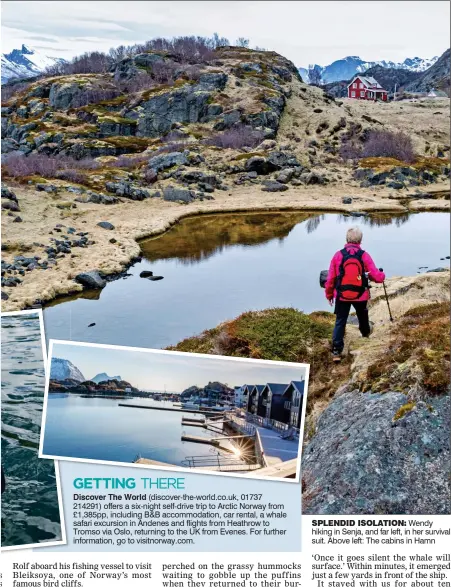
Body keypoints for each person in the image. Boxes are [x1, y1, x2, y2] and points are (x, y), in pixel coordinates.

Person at [325, 227, 385, 362]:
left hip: (342, 295)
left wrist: (329, 294)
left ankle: (336, 351)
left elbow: (331, 279)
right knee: (363, 317)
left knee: (340, 321)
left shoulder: (338, 255)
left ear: (346, 239)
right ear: (360, 240)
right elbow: (377, 276)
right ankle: (365, 337)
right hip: (361, 295)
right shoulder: (364, 255)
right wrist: (382, 275)